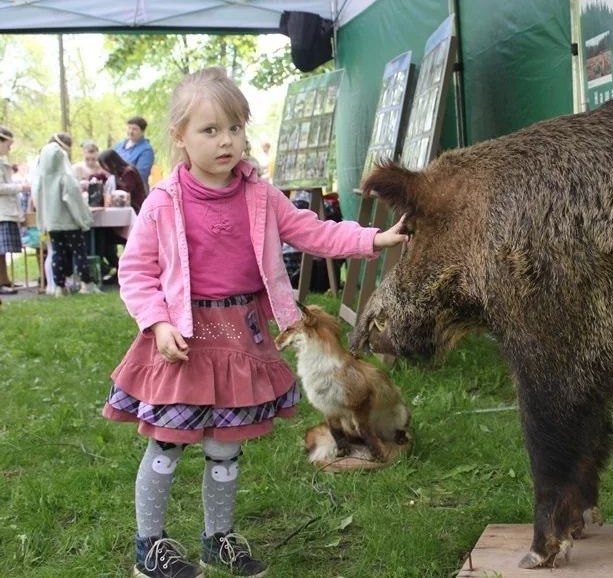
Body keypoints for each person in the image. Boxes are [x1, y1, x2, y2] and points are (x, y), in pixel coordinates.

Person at [101, 67, 408, 578]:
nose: (227, 141)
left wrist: (371, 240)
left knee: (225, 445)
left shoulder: (261, 197)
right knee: (168, 442)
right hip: (184, 342)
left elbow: (312, 232)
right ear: (179, 137)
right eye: (210, 130)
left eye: (236, 128)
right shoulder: (163, 203)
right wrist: (156, 323)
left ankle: (217, 538)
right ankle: (149, 548)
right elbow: (135, 271)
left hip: (241, 338)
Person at [31, 132, 100, 295]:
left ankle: (59, 286)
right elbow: (74, 201)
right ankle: (86, 283)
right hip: (69, 222)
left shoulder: (41, 180)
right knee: (79, 251)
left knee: (57, 252)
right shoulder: (66, 177)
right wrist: (83, 219)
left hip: (52, 222)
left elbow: (38, 202)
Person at [0, 125, 31, 294]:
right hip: (2, 212)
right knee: (0, 251)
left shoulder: (3, 163)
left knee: (4, 251)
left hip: (8, 211)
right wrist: (19, 187)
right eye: (7, 144)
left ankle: (5, 280)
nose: (9, 148)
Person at [98, 148, 147, 213]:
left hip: (136, 207)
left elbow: (125, 190)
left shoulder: (129, 172)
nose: (105, 168)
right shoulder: (118, 174)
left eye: (105, 166)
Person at [114, 116, 155, 191]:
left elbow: (141, 175)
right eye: (129, 128)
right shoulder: (119, 145)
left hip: (135, 191)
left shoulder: (146, 150)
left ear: (142, 131)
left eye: (135, 129)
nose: (130, 131)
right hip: (116, 188)